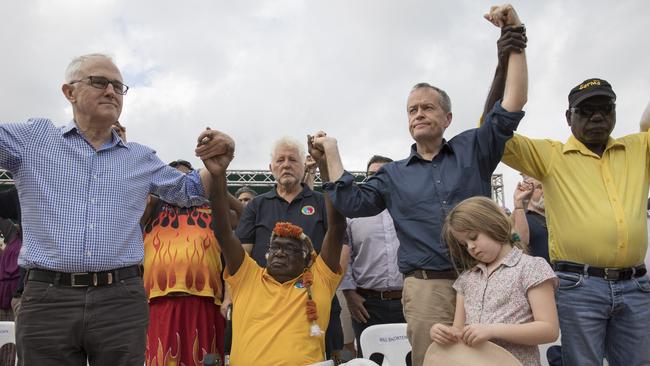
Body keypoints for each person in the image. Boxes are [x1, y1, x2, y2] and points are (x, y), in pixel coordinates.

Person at [313, 5, 528, 364]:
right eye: (412, 110)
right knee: (436, 361)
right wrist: (331, 153)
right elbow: (351, 203)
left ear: (447, 118)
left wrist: (516, 36)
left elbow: (513, 102)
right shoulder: (392, 175)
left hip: (487, 278)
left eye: (428, 108)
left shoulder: (473, 148)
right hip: (429, 288)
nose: (419, 114)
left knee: (497, 359)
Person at [0, 53, 229, 365]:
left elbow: (190, 191)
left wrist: (214, 168)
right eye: (99, 82)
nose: (111, 91)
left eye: (118, 87)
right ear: (69, 92)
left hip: (120, 299)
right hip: (47, 300)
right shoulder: (34, 139)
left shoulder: (140, 157)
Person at [205, 131, 347, 365]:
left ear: (307, 258)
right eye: (274, 247)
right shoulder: (249, 277)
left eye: (292, 160)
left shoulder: (319, 279)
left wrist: (324, 164)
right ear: (271, 166)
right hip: (253, 293)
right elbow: (224, 234)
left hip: (314, 298)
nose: (279, 252)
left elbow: (337, 228)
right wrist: (218, 176)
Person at [430, 197, 558, 366]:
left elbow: (549, 330)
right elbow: (459, 330)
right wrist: (444, 333)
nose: (470, 247)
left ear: (493, 223)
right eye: (464, 244)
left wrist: (492, 330)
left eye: (474, 237)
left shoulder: (531, 267)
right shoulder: (467, 279)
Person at [142, 159, 243, 366]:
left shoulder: (212, 209)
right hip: (160, 303)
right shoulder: (153, 207)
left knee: (204, 361)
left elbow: (246, 217)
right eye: (174, 177)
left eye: (188, 177)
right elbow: (129, 192)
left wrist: (216, 183)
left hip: (206, 302)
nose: (181, 183)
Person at [340, 155, 406, 364]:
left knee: (412, 358)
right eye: (371, 175)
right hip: (367, 305)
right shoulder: (353, 215)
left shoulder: (410, 210)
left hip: (408, 302)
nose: (376, 179)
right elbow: (345, 256)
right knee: (371, 360)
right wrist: (349, 294)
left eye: (382, 174)